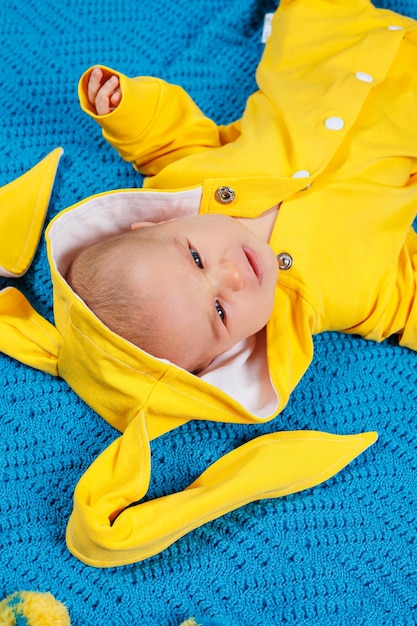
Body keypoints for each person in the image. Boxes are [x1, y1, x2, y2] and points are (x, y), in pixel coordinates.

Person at [1, 0, 416, 567]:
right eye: (220, 313)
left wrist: (127, 109)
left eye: (196, 258)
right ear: (229, 355)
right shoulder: (338, 298)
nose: (232, 275)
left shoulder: (190, 182)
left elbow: (168, 138)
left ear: (157, 222)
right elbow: (407, 301)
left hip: (319, 49)